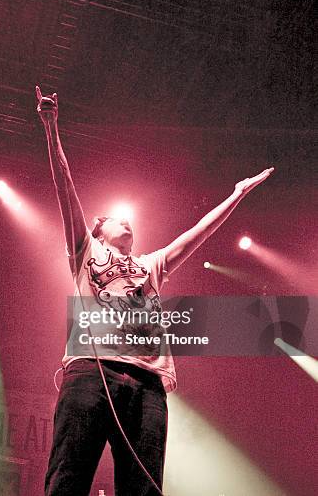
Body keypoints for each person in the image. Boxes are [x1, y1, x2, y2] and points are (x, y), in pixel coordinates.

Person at [35, 86, 273, 496]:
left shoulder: (152, 265)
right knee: (67, 479)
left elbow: (197, 235)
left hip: (148, 384)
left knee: (145, 489)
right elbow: (64, 186)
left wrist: (236, 194)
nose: (127, 222)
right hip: (92, 372)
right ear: (99, 229)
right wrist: (51, 129)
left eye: (131, 220)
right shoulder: (84, 249)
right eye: (117, 219)